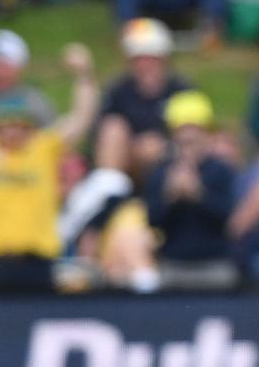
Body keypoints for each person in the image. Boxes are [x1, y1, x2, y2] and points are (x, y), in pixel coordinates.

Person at [0, 43, 97, 292]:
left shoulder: (43, 148)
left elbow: (81, 118)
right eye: (5, 125)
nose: (11, 130)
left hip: (39, 260)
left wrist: (84, 74)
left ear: (29, 127)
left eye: (18, 125)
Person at [143, 90, 239, 290]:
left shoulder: (221, 170)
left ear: (207, 135)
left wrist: (198, 194)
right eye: (182, 134)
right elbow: (153, 220)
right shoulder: (161, 172)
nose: (188, 140)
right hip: (173, 265)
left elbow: (228, 219)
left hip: (215, 264)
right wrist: (170, 196)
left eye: (195, 133)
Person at [94, 18, 192, 181]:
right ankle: (108, 191)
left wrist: (165, 147)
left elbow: (198, 134)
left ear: (165, 59)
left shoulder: (182, 90)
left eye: (152, 58)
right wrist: (134, 149)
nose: (145, 65)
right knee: (113, 128)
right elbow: (98, 136)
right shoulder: (117, 91)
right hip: (125, 165)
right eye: (139, 58)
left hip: (173, 166)